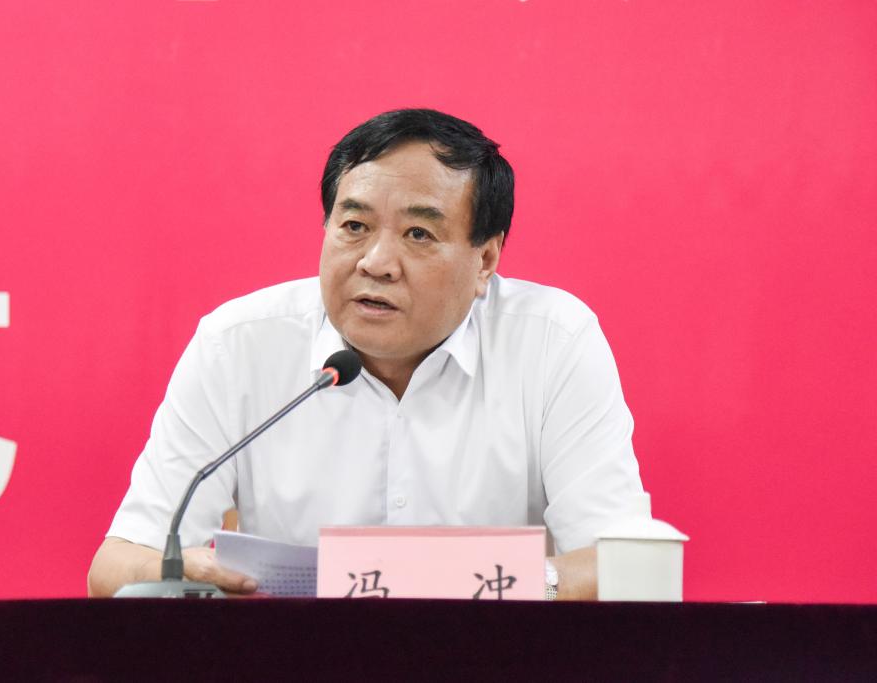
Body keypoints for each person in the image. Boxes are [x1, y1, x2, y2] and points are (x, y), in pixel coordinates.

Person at [88, 109, 643, 600]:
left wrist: (504, 585)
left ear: (485, 260)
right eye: (354, 226)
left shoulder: (552, 342)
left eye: (418, 234)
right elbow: (115, 568)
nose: (376, 262)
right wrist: (184, 573)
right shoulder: (237, 345)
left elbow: (625, 566)